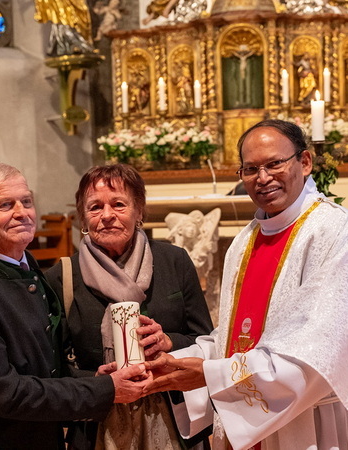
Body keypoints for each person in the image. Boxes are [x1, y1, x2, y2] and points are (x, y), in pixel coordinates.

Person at [144, 120, 348, 449]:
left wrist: (210, 374)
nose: (262, 178)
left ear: (305, 162)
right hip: (246, 423)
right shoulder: (244, 241)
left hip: (306, 422)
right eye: (251, 169)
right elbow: (234, 338)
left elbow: (315, 349)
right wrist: (178, 359)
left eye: (274, 164)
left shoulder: (333, 231)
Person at [0, 163, 150, 450]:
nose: (22, 213)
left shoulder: (23, 262)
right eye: (6, 205)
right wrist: (105, 389)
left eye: (26, 202)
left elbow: (42, 365)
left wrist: (93, 379)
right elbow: (6, 393)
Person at [45, 163, 213, 449]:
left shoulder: (174, 262)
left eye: (119, 204)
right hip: (98, 422)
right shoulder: (62, 277)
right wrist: (98, 383)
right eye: (95, 207)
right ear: (83, 218)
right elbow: (53, 366)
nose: (107, 215)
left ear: (139, 211)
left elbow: (206, 341)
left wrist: (169, 342)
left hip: (173, 417)